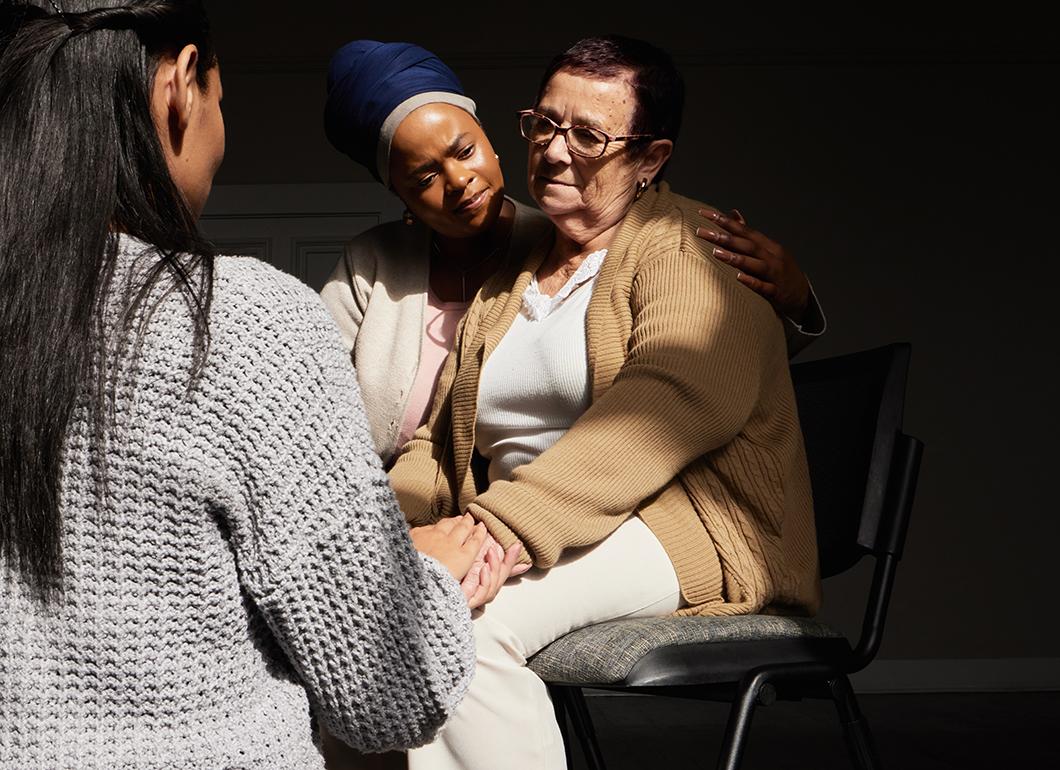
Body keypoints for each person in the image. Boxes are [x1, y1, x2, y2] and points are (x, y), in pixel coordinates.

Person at [0, 3, 504, 768]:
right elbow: (389, 691)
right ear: (180, 86)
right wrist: (427, 573)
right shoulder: (239, 321)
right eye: (221, 101)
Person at [387, 35, 821, 770]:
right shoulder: (509, 281)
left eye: (588, 135)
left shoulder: (692, 250)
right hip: (547, 524)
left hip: (675, 525)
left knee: (454, 625)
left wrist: (494, 529)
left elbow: (669, 405)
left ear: (650, 158)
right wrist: (380, 536)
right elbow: (438, 439)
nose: (555, 152)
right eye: (545, 124)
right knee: (363, 613)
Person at [319, 40, 825, 471]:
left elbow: (709, 351)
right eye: (424, 179)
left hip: (547, 508)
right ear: (401, 197)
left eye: (465, 151)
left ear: (490, 142)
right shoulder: (374, 264)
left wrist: (796, 302)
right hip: (398, 499)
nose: (458, 182)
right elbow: (315, 407)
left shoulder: (574, 232)